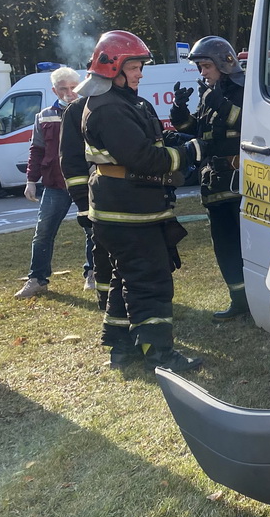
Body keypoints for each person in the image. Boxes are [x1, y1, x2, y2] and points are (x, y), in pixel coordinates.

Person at [79, 30, 202, 372]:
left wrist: (177, 139)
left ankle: (121, 347)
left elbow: (151, 142)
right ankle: (159, 353)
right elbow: (144, 159)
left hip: (128, 209)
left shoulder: (123, 102)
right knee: (151, 280)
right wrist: (190, 153)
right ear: (112, 67)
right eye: (134, 67)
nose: (139, 74)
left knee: (127, 277)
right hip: (128, 213)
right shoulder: (108, 108)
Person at [170, 36, 247, 320]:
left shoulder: (243, 89)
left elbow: (246, 121)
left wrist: (217, 101)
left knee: (243, 244)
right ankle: (239, 300)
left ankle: (255, 298)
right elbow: (198, 129)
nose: (202, 73)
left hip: (239, 183)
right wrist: (179, 111)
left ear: (223, 63)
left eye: (205, 66)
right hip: (213, 183)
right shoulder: (208, 93)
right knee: (224, 245)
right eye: (200, 67)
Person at [14, 67, 81, 298]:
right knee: (43, 232)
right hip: (55, 184)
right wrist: (31, 181)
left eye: (73, 88)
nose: (69, 93)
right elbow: (37, 150)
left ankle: (94, 274)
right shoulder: (43, 116)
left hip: (86, 182)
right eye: (63, 89)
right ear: (54, 90)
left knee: (95, 230)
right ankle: (37, 280)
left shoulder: (90, 110)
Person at [59, 70, 113, 310]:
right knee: (101, 251)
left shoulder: (126, 103)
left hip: (127, 196)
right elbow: (71, 159)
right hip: (95, 195)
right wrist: (82, 204)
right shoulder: (75, 111)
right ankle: (108, 302)